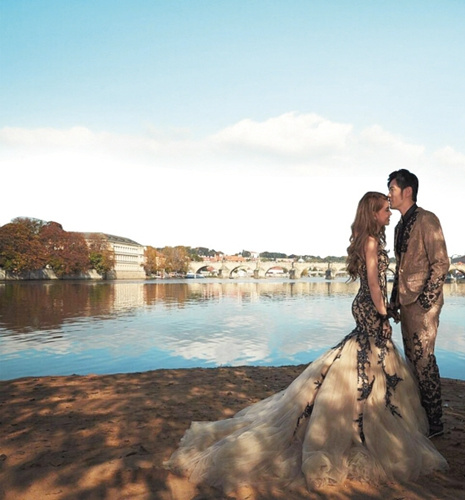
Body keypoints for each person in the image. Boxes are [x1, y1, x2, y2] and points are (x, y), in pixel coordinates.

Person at [164, 192, 447, 494]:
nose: (389, 213)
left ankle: (361, 418)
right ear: (373, 213)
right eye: (384, 210)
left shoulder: (369, 239)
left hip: (366, 305)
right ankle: (363, 423)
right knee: (369, 360)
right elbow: (375, 284)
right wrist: (383, 313)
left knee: (365, 360)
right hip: (370, 306)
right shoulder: (371, 242)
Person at [387, 169, 449, 438]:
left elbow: (441, 263)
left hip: (424, 304)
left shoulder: (428, 220)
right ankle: (423, 418)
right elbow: (400, 268)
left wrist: (425, 301)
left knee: (424, 360)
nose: (389, 194)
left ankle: (436, 423)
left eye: (392, 189)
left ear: (407, 191)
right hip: (406, 302)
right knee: (413, 360)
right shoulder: (400, 226)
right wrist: (393, 301)